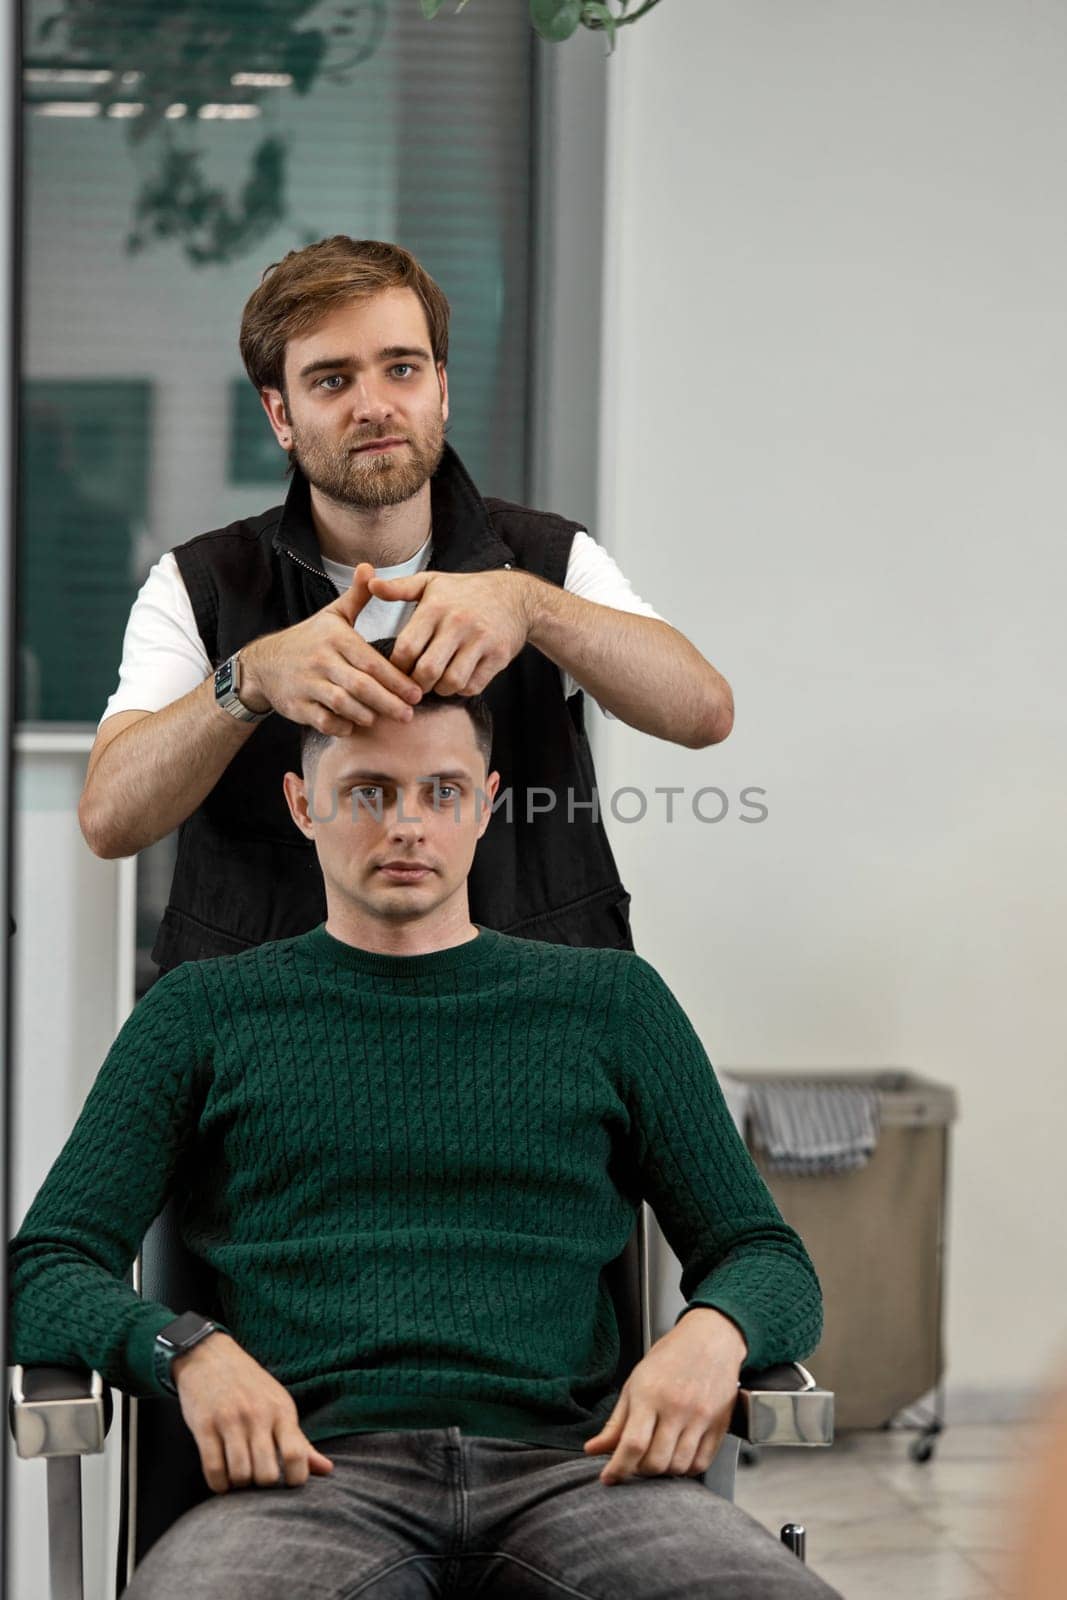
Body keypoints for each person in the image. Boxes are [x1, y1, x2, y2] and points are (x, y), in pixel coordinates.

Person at [13, 652, 835, 1600]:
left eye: (440, 791)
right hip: (305, 1484)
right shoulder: (201, 1013)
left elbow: (766, 1255)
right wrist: (183, 1350)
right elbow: (43, 1270)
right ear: (300, 803)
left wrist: (712, 1334)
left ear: (485, 804)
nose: (407, 823)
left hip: (581, 1474)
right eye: (366, 791)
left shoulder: (610, 1003)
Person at [76, 237, 734, 972]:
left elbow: (701, 713)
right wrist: (248, 681)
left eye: (401, 368)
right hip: (272, 1034)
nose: (375, 406)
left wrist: (529, 607)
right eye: (331, 380)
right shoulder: (201, 582)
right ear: (279, 414)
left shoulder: (546, 560)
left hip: (528, 1023)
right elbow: (110, 820)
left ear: (442, 390)